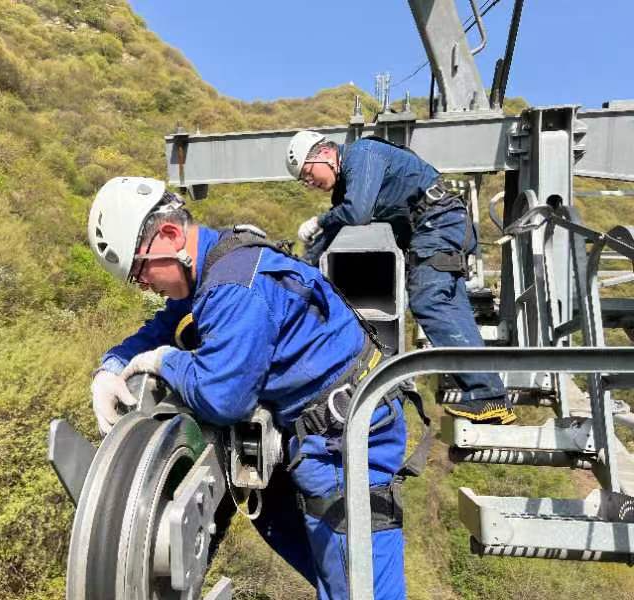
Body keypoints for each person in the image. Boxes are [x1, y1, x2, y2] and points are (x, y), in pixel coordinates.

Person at [88, 176, 410, 599]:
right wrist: (109, 369)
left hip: (342, 444)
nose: (144, 285)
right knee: (314, 559)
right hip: (325, 430)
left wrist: (166, 361)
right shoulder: (216, 262)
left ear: (168, 235)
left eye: (140, 270)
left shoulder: (234, 288)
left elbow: (224, 399)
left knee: (361, 590)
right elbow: (166, 325)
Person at [285, 131, 515, 425]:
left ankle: (488, 394)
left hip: (438, 224)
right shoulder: (345, 189)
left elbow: (356, 214)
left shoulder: (362, 154)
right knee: (451, 310)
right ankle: (490, 396)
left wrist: (320, 220)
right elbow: (335, 229)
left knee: (429, 300)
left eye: (307, 173)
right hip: (436, 229)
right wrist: (302, 266)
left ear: (325, 154)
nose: (310, 183)